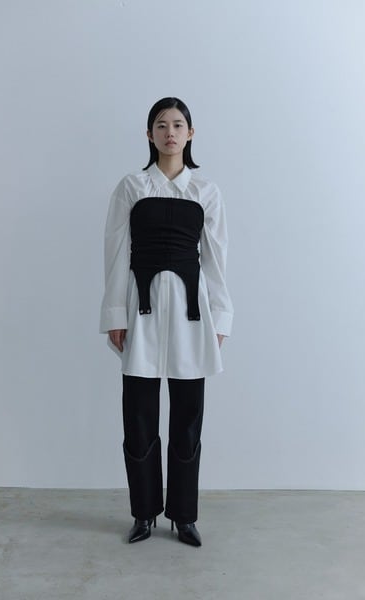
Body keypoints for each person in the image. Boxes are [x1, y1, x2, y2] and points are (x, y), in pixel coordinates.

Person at [99, 97, 234, 547]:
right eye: (161, 125)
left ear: (190, 133)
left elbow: (215, 262)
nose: (170, 132)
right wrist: (115, 314)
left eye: (178, 125)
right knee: (138, 417)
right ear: (149, 134)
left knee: (188, 419)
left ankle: (184, 515)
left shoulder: (206, 192)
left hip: (192, 316)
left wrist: (220, 318)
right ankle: (143, 513)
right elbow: (115, 255)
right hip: (142, 310)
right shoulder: (132, 188)